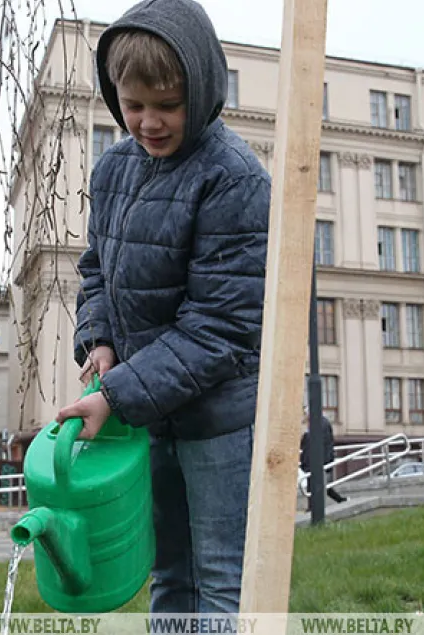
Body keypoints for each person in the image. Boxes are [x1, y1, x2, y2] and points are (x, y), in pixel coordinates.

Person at [53, 0, 271, 616]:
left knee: (222, 579)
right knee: (169, 574)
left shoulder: (234, 179)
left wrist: (116, 394)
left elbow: (221, 328)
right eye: (133, 105)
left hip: (216, 422)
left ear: (201, 92)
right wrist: (97, 338)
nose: (148, 122)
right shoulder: (114, 168)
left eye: (167, 106)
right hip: (148, 417)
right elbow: (97, 267)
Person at [300, 409, 347, 505]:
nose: (304, 416)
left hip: (318, 460)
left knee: (318, 484)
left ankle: (315, 507)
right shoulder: (317, 423)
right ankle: (339, 500)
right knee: (319, 484)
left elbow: (318, 442)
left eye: (305, 414)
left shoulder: (319, 424)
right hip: (315, 459)